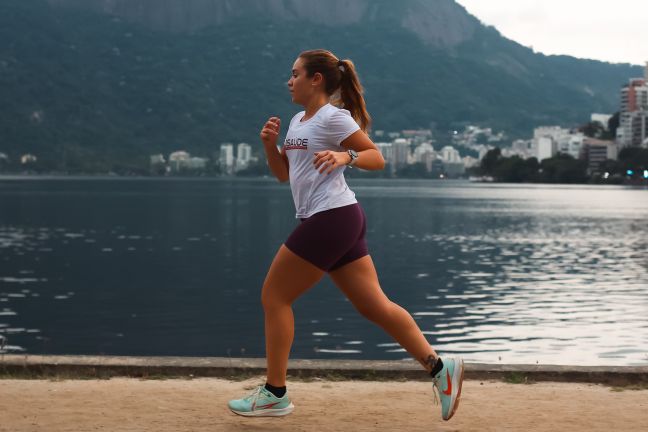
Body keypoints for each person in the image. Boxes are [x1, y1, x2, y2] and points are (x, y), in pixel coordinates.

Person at [228, 49, 464, 421]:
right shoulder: (298, 120)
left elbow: (375, 156)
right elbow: (284, 174)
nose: (289, 82)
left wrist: (345, 157)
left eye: (295, 74)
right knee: (373, 306)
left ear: (315, 79)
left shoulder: (332, 118)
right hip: (338, 219)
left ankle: (275, 392)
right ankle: (439, 369)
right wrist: (269, 146)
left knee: (274, 296)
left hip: (332, 217)